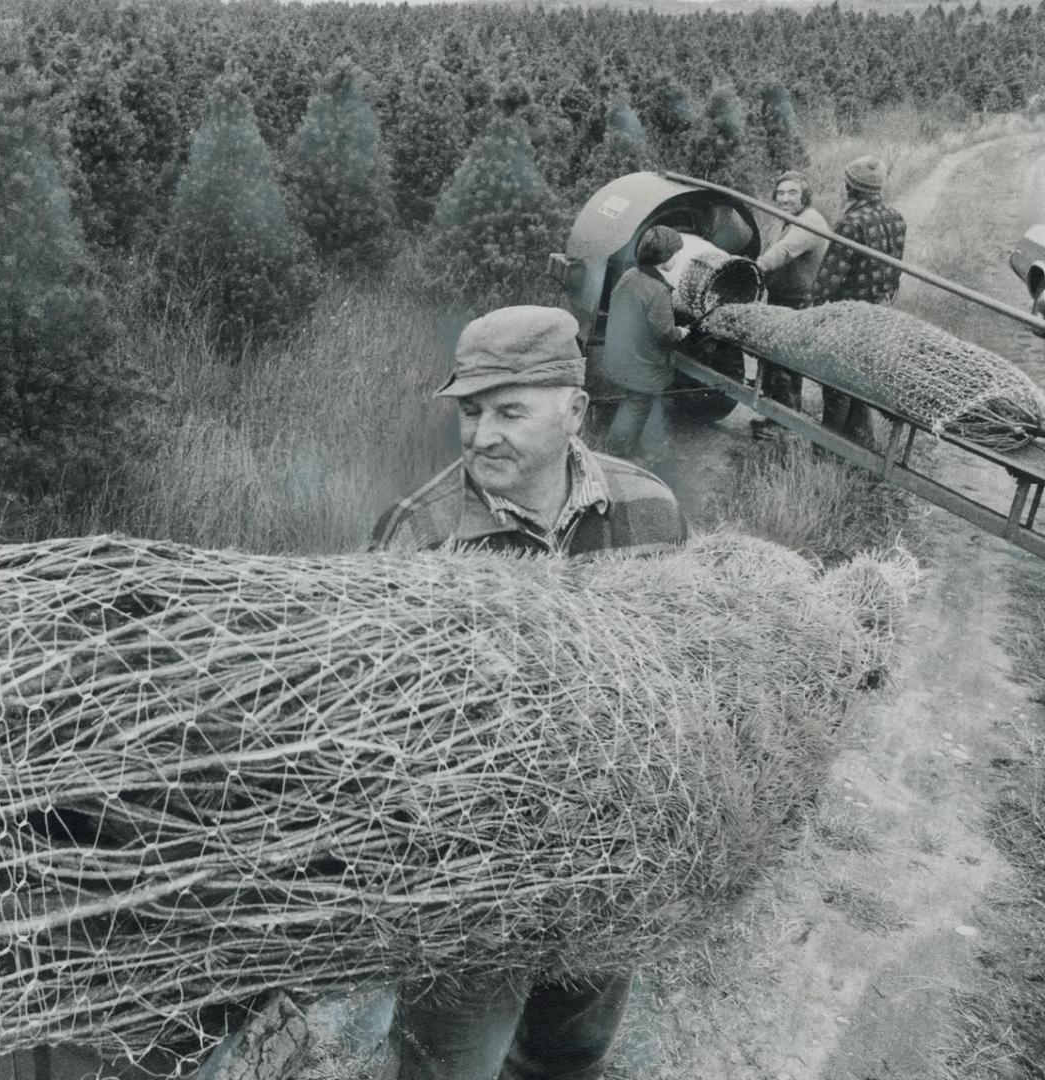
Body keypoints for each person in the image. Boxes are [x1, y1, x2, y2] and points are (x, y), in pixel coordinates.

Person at [369, 305, 688, 1080]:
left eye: (510, 410)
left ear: (574, 410)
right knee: (446, 1064)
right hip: (472, 890)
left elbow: (685, 676)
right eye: (471, 412)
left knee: (567, 1054)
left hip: (609, 874)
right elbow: (376, 732)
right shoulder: (420, 537)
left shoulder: (650, 510)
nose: (481, 436)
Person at [812, 155, 908, 446]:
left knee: (837, 380)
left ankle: (828, 447)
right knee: (862, 375)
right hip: (881, 310)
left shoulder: (850, 223)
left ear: (850, 188)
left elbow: (830, 276)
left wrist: (810, 307)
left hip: (850, 314)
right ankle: (861, 440)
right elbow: (896, 267)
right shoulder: (897, 218)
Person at [749, 170, 830, 437]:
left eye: (792, 193)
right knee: (776, 358)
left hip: (799, 301)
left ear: (804, 195)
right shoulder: (789, 219)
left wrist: (757, 267)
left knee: (785, 359)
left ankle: (786, 425)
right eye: (781, 193)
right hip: (784, 297)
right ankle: (776, 416)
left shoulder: (809, 222)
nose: (785, 198)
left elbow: (784, 251)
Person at [600, 225, 688, 462]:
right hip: (642, 363)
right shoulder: (659, 291)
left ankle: (639, 447)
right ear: (665, 256)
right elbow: (664, 332)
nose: (678, 257)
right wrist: (681, 332)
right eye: (676, 252)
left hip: (622, 354)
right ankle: (616, 454)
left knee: (638, 403)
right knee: (637, 405)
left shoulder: (630, 276)